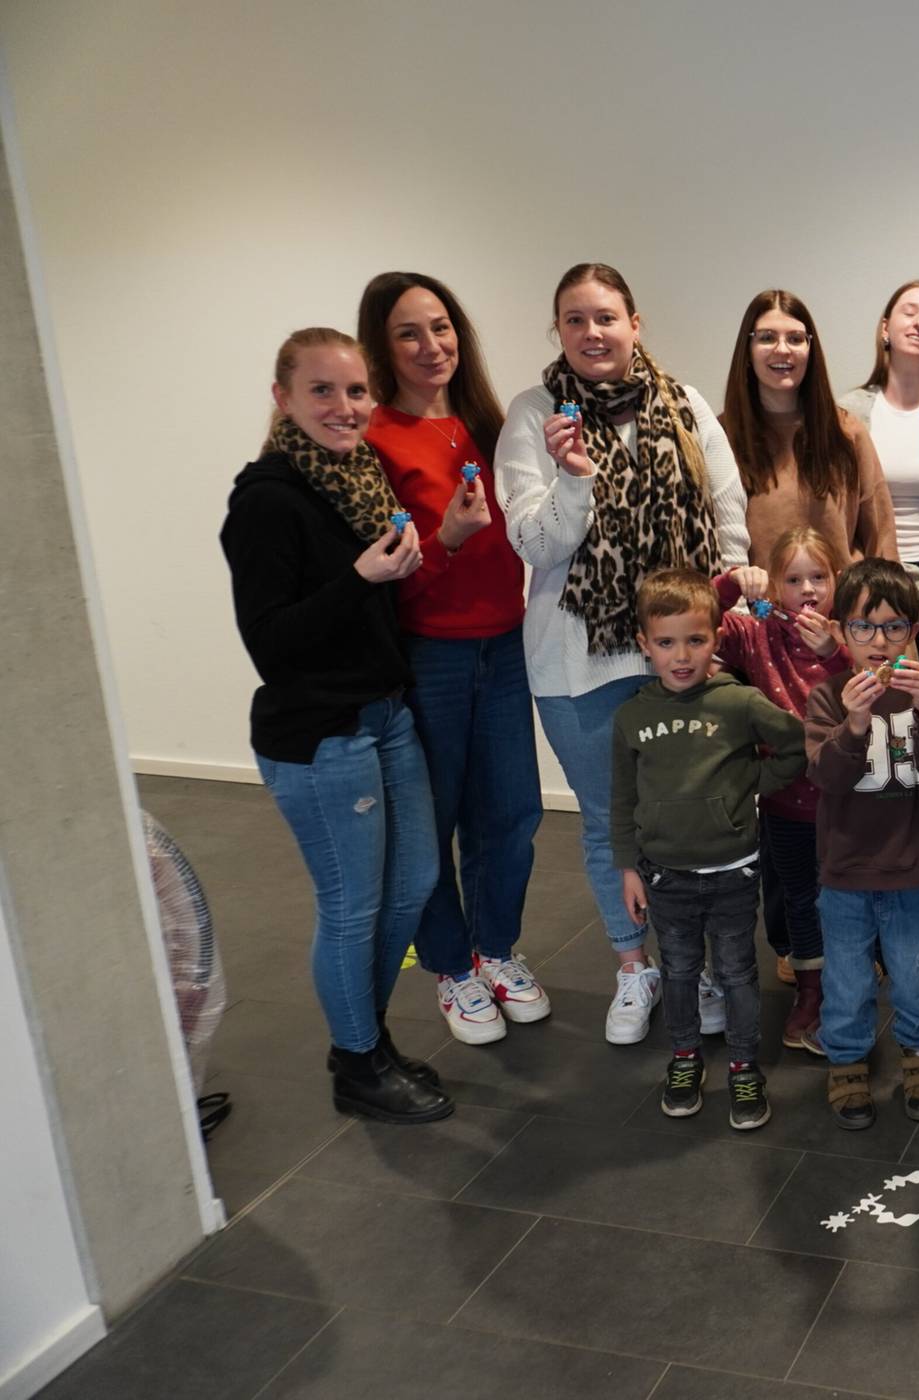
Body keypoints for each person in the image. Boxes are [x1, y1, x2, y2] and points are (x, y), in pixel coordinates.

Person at [493, 263, 749, 1046]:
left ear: (635, 323)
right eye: (574, 320)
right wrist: (573, 479)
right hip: (577, 663)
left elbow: (727, 514)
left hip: (672, 656)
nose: (592, 333)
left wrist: (719, 613)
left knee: (682, 822)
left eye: (606, 317)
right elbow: (534, 542)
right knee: (611, 825)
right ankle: (635, 967)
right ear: (559, 333)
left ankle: (692, 964)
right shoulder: (535, 414)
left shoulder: (687, 404)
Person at [221, 328, 448, 1124]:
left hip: (384, 718)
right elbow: (271, 644)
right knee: (352, 903)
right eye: (322, 390)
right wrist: (360, 577)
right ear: (282, 398)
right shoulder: (268, 499)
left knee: (411, 884)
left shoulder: (358, 479)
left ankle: (365, 1037)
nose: (344, 408)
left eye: (355, 392)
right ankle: (358, 1063)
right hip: (322, 735)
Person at [357, 271, 546, 1046]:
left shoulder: (490, 424)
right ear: (382, 346)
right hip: (430, 653)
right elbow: (381, 575)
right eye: (409, 333)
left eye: (441, 327)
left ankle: (496, 948)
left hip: (506, 645)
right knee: (433, 823)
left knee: (510, 813)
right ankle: (449, 966)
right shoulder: (374, 438)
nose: (431, 345)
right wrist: (448, 542)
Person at [610, 569, 806, 1128]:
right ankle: (685, 1057)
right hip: (664, 875)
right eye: (666, 642)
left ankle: (744, 1068)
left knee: (739, 974)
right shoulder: (631, 716)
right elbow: (621, 799)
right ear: (644, 643)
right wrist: (628, 868)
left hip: (733, 872)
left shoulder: (739, 702)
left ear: (716, 638)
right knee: (677, 971)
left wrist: (751, 789)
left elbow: (795, 744)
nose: (681, 655)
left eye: (695, 640)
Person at [804, 558, 919, 1129]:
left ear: (914, 633)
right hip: (845, 868)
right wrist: (851, 726)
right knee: (846, 975)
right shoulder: (828, 698)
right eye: (863, 627)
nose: (879, 641)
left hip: (915, 867)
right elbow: (825, 777)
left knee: (917, 969)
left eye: (895, 626)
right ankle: (846, 1060)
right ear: (840, 632)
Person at [710, 528, 851, 1054]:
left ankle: (846, 985)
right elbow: (704, 624)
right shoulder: (759, 630)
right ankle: (810, 991)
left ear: (836, 580)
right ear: (774, 586)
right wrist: (729, 584)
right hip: (785, 805)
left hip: (847, 807)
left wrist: (836, 653)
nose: (808, 590)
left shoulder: (849, 637)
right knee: (798, 898)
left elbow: (877, 697)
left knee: (844, 899)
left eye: (819, 576)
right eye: (794, 580)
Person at [720, 289, 898, 573]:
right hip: (756, 614)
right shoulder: (720, 437)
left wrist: (886, 611)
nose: (782, 349)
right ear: (747, 350)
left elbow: (881, 541)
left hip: (840, 613)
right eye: (767, 337)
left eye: (795, 339)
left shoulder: (847, 433)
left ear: (810, 350)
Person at [839, 280, 919, 674]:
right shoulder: (847, 411)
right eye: (909, 311)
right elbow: (837, 509)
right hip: (870, 576)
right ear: (885, 328)